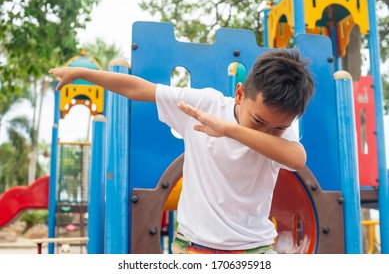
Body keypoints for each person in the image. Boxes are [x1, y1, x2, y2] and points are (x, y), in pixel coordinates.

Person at [49, 49, 314, 254]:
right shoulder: (205, 104)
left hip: (254, 247)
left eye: (278, 128)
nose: (267, 131)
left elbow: (297, 159)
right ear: (240, 94)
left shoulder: (279, 132)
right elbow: (139, 89)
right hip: (194, 245)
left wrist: (229, 130)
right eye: (257, 121)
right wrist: (86, 75)